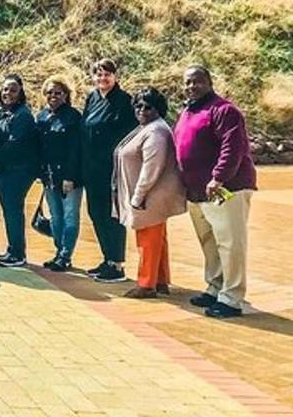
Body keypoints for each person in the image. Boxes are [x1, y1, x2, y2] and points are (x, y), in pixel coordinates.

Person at [174, 66, 258, 319]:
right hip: (196, 193)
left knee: (230, 243)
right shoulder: (188, 111)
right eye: (187, 83)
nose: (191, 87)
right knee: (209, 242)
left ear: (209, 82)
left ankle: (232, 297)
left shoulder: (225, 111)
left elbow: (233, 148)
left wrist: (218, 178)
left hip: (225, 189)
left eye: (197, 82)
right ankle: (215, 286)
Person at [114, 87, 186, 299]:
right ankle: (160, 280)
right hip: (149, 196)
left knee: (147, 241)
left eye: (148, 107)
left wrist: (137, 197)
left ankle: (146, 284)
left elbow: (151, 168)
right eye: (138, 106)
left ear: (158, 109)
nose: (142, 110)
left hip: (150, 197)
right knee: (157, 239)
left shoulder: (156, 132)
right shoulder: (148, 127)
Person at [78, 59, 134, 282]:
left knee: (112, 216)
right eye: (99, 75)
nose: (103, 79)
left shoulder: (124, 101)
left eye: (107, 75)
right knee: (96, 213)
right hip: (92, 170)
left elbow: (128, 136)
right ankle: (106, 258)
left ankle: (117, 264)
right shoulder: (92, 98)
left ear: (115, 76)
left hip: (112, 170)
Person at [0, 74, 42, 267]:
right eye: (5, 89)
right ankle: (13, 249)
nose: (7, 93)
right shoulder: (2, 113)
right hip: (4, 170)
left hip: (19, 170)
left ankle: (18, 254)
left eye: (13, 90)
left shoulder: (23, 115)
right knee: (9, 210)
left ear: (21, 93)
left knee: (13, 210)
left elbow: (14, 143)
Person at [36, 78, 83, 272]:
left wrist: (70, 177)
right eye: (49, 93)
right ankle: (58, 252)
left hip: (69, 176)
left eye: (58, 93)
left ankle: (66, 255)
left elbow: (76, 149)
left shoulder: (73, 117)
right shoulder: (42, 117)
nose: (53, 97)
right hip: (49, 176)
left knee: (70, 216)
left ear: (66, 95)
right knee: (56, 217)